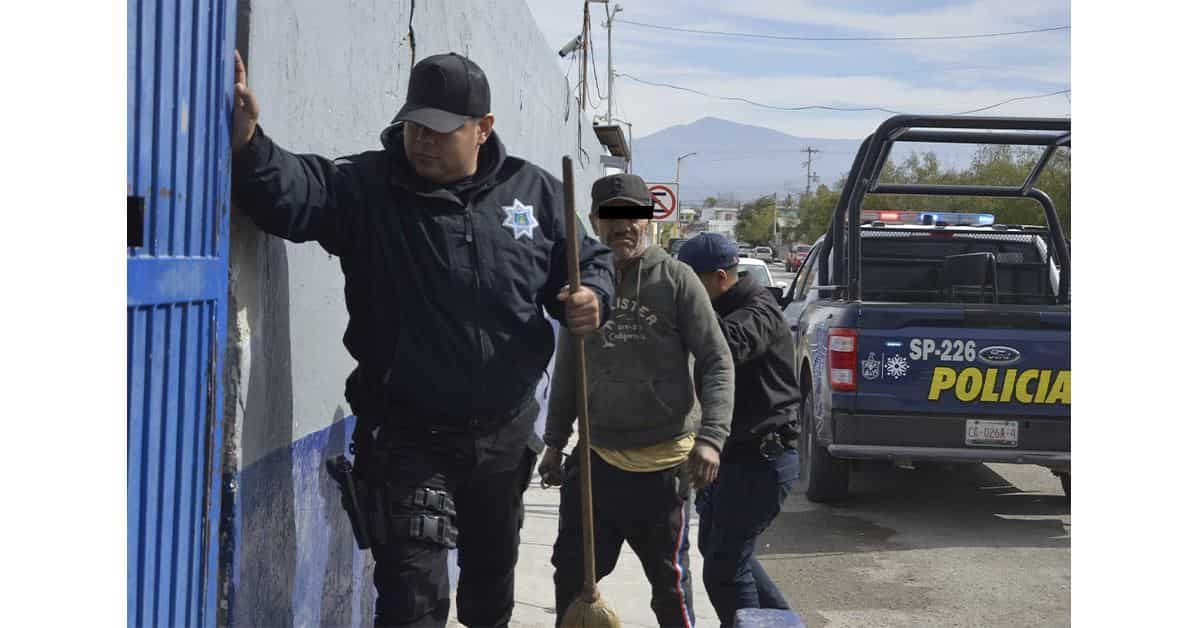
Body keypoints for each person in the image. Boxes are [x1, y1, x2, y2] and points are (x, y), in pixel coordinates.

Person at [230, 50, 615, 628]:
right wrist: (249, 143)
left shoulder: (533, 194)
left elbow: (585, 263)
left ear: (482, 128)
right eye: (414, 125)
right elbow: (295, 194)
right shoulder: (367, 189)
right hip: (408, 438)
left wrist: (593, 299)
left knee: (489, 589)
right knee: (413, 601)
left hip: (503, 437)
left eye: (440, 129)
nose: (422, 141)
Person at [538, 174, 735, 628]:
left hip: (663, 468)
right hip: (596, 462)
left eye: (633, 215)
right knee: (572, 573)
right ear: (594, 220)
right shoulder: (582, 282)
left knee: (670, 589)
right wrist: (554, 441)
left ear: (649, 220)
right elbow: (570, 365)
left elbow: (717, 360)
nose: (622, 225)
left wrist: (712, 438)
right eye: (611, 215)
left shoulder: (677, 279)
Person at [677, 232, 803, 627]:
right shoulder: (733, 303)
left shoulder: (759, 309)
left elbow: (726, 344)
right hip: (735, 456)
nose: (685, 293)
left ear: (719, 277)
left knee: (725, 568)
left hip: (763, 458)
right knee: (721, 552)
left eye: (691, 283)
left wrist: (689, 313)